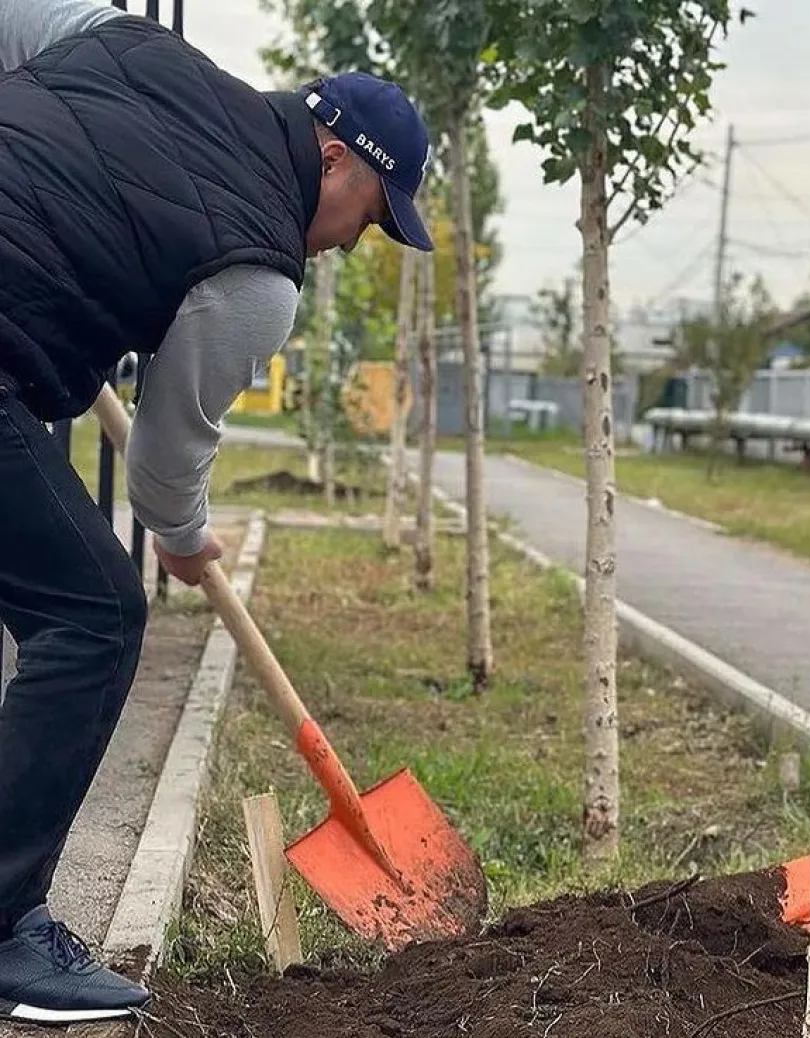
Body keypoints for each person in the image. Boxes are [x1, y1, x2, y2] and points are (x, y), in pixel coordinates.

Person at [0, 0, 434, 1022]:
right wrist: (189, 542)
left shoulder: (127, 39)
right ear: (333, 160)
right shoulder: (258, 272)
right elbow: (161, 471)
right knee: (94, 616)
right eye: (369, 215)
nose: (351, 244)